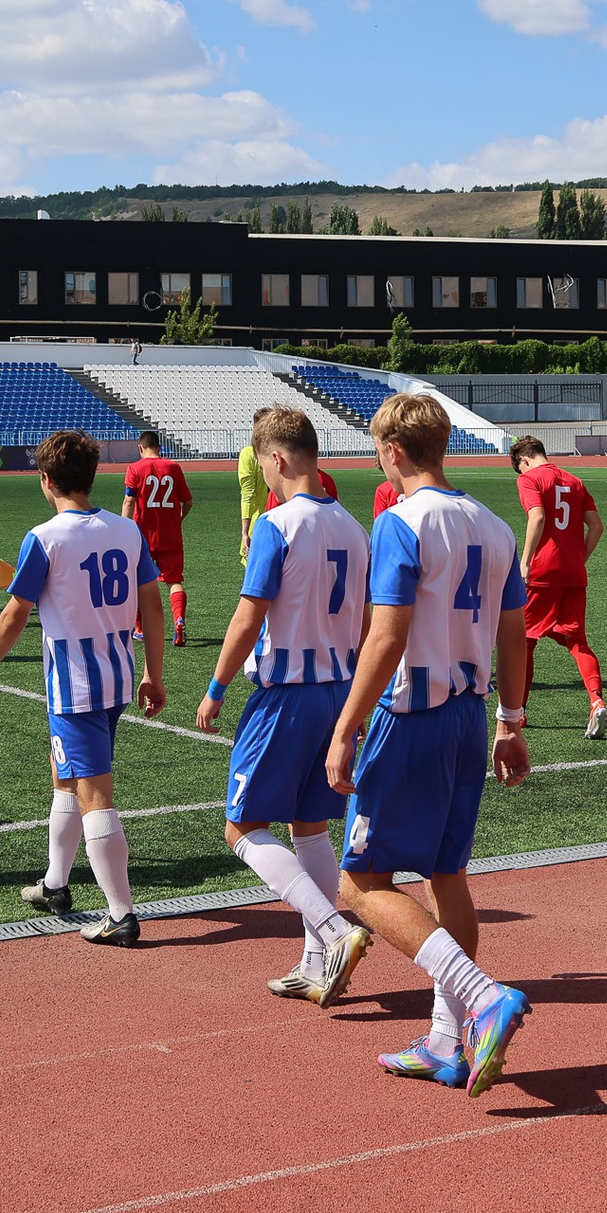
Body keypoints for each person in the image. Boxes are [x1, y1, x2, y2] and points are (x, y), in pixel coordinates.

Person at [326, 392, 534, 1098]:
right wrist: (512, 719)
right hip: (468, 718)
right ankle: (446, 1039)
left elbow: (386, 634)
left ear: (393, 452)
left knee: (359, 883)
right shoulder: (497, 526)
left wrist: (347, 725)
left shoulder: (399, 522)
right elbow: (514, 636)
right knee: (446, 874)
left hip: (410, 714)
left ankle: (479, 997)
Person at [195, 407, 372, 1005]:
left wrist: (216, 688)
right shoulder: (355, 526)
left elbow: (250, 613)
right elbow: (371, 621)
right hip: (338, 691)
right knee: (311, 827)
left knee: (241, 826)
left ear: (276, 458)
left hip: (287, 695)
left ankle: (331, 928)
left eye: (261, 465)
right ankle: (316, 960)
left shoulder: (277, 524)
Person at [0, 429, 166, 946]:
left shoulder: (45, 537)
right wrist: (154, 672)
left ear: (45, 480)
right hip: (118, 677)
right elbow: (151, 604)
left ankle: (121, 913)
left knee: (94, 794)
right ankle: (55, 884)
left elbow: (17, 609)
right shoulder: (126, 532)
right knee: (66, 778)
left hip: (75, 687)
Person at [512, 437, 607, 738]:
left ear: (524, 460)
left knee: (525, 641)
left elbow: (537, 516)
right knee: (577, 641)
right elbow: (597, 526)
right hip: (572, 570)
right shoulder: (575, 481)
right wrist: (579, 556)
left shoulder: (530, 479)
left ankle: (519, 712)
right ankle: (596, 700)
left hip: (543, 570)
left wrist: (525, 561)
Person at [122, 431, 195, 646]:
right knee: (174, 581)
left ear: (140, 448)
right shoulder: (174, 467)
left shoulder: (134, 468)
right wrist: (177, 520)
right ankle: (179, 621)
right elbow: (188, 502)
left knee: (138, 582)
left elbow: (129, 501)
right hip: (170, 535)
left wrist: (123, 528)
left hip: (143, 536)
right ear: (160, 447)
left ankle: (140, 627)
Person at [238, 426, 268, 556]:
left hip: (258, 525)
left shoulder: (248, 454)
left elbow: (247, 494)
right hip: (283, 523)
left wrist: (244, 532)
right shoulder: (283, 453)